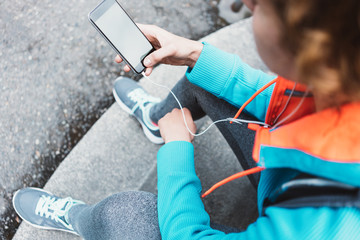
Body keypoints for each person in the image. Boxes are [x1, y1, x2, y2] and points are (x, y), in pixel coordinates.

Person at [13, 0, 360, 239]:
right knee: (204, 75)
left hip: (298, 210)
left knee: (122, 215)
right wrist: (194, 53)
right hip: (299, 178)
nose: (243, 5)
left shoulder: (323, 221)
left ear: (310, 41)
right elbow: (287, 99)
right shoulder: (345, 74)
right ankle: (156, 119)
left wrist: (176, 149)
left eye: (256, 9)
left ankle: (79, 219)